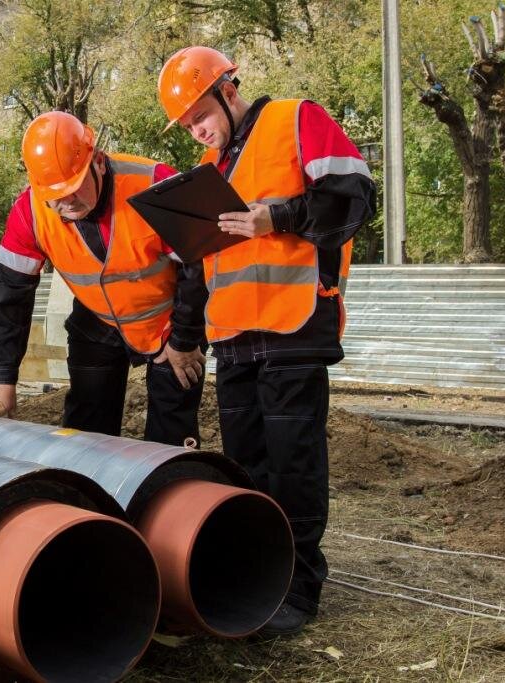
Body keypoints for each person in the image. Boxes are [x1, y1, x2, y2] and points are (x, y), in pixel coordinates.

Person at [157, 46, 377, 635]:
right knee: (247, 467)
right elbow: (197, 268)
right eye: (187, 126)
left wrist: (273, 218)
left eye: (201, 117)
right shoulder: (209, 171)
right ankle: (258, 579)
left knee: (293, 465)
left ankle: (298, 590)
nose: (198, 131)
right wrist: (183, 338)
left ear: (228, 91)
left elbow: (354, 196)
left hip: (292, 327)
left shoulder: (295, 119)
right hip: (233, 339)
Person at [0, 110, 208, 447]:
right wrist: (2, 380)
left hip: (170, 321)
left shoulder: (155, 183)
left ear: (99, 162)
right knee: (86, 433)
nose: (66, 201)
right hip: (97, 320)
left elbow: (202, 265)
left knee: (170, 436)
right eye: (55, 195)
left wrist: (185, 340)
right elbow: (9, 295)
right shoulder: (29, 212)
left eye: (74, 187)